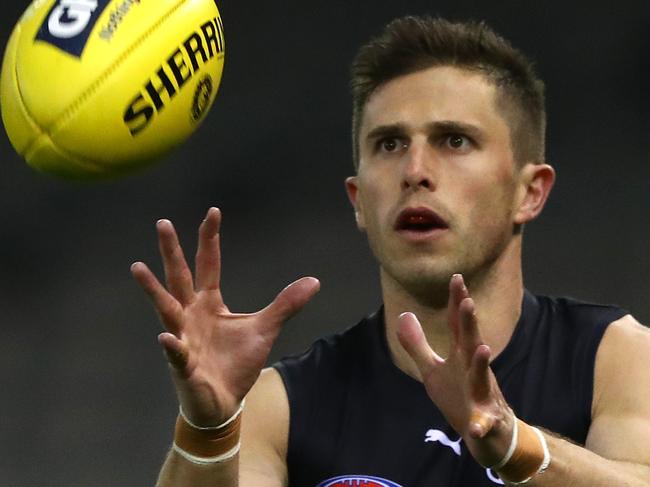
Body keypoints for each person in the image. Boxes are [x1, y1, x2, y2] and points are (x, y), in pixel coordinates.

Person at [131, 16, 650, 487]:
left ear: (529, 192)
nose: (415, 171)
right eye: (389, 144)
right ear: (358, 201)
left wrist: (517, 448)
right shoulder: (283, 406)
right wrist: (207, 434)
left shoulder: (614, 358)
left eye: (454, 140)